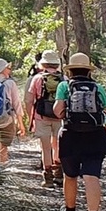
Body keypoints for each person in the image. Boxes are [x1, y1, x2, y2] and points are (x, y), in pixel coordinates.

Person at [54, 52, 106, 211]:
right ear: (88, 71)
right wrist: (103, 131)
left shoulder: (64, 85)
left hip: (70, 135)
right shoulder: (98, 87)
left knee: (70, 176)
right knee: (91, 176)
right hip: (95, 136)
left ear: (70, 70)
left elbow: (58, 111)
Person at [27, 50, 66, 188]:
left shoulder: (37, 78)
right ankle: (59, 174)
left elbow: (29, 100)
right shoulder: (64, 79)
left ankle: (48, 177)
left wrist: (30, 116)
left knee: (45, 147)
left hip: (41, 116)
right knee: (58, 145)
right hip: (60, 117)